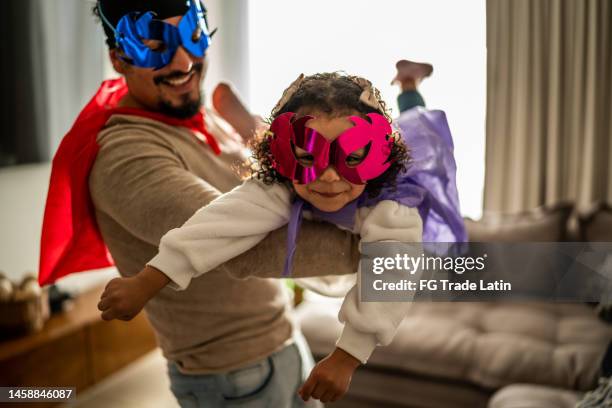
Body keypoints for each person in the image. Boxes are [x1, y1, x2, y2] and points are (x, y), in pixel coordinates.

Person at [39, 1, 362, 407]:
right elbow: (241, 246)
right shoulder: (125, 153)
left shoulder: (197, 118)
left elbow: (264, 199)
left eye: (192, 36)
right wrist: (378, 251)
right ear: (118, 58)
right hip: (231, 376)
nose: (184, 61)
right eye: (156, 44)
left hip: (281, 340)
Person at [98, 72, 467, 403]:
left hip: (402, 181)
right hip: (295, 173)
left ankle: (408, 84)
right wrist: (150, 278)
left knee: (419, 125)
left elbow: (391, 275)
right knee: (272, 183)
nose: (328, 177)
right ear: (285, 157)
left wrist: (347, 356)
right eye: (309, 158)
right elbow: (222, 222)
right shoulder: (282, 182)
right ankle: (258, 131)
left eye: (349, 158)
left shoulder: (394, 209)